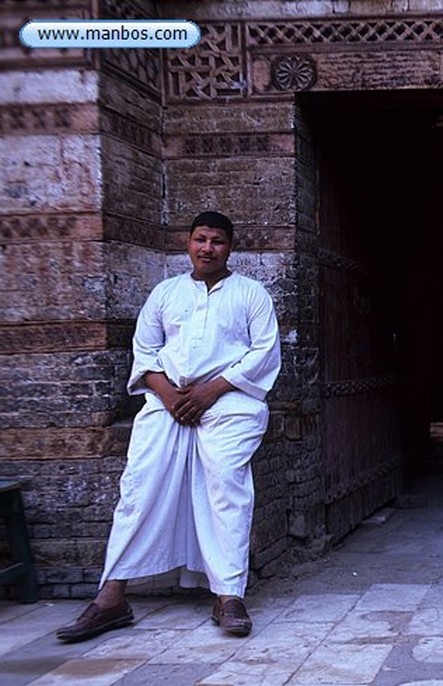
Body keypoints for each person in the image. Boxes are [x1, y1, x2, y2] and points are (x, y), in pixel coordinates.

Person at [56, 211, 282, 642]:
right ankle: (112, 596)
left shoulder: (251, 294)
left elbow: (263, 354)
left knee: (225, 486)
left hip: (230, 401)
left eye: (217, 241)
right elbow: (144, 351)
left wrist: (210, 392)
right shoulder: (165, 292)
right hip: (168, 403)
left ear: (230, 247)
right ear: (188, 243)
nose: (207, 248)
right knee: (140, 488)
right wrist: (169, 394)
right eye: (200, 239)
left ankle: (228, 595)